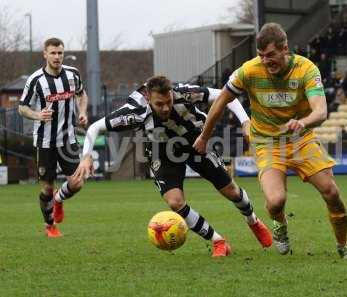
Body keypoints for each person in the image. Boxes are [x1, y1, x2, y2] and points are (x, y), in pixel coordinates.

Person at [193, 23, 347, 260]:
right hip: (267, 143)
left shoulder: (306, 69)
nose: (265, 61)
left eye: (270, 55)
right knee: (275, 201)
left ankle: (343, 245)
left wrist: (304, 122)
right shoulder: (249, 71)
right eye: (261, 56)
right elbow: (221, 100)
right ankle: (279, 225)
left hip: (301, 139)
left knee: (331, 191)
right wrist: (204, 135)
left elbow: (320, 111)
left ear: (285, 49)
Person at [74, 76, 273, 257]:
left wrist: (246, 121)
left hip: (196, 141)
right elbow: (94, 127)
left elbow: (227, 96)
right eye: (159, 104)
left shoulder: (184, 93)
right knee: (175, 202)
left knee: (231, 191)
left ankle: (253, 221)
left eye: (168, 102)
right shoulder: (134, 112)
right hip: (163, 152)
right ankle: (218, 241)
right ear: (149, 99)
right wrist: (86, 157)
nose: (165, 108)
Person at [19, 38, 87, 238]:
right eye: (53, 53)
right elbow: (22, 107)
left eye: (60, 53)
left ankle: (59, 199)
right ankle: (50, 226)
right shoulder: (35, 80)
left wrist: (82, 112)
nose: (57, 57)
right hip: (45, 141)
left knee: (78, 182)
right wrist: (37, 115)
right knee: (47, 188)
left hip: (68, 139)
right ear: (45, 54)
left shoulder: (73, 74)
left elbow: (82, 95)